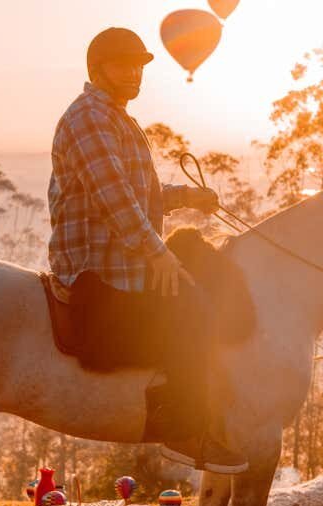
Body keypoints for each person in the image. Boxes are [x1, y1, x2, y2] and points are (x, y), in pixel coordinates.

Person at [47, 27, 248, 474]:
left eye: (139, 65)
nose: (135, 73)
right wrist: (157, 253)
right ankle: (181, 429)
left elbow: (139, 193)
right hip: (99, 265)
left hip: (122, 254)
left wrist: (186, 198)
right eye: (124, 64)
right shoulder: (89, 118)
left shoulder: (115, 117)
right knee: (194, 308)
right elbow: (113, 195)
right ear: (98, 69)